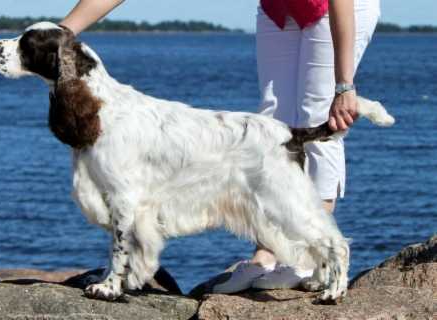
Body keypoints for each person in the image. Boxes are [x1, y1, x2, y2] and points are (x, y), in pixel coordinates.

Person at [60, 0, 380, 293]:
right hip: (279, 9)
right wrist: (62, 33)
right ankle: (265, 256)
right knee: (271, 124)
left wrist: (345, 85)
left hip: (339, 7)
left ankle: (312, 261)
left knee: (318, 111)